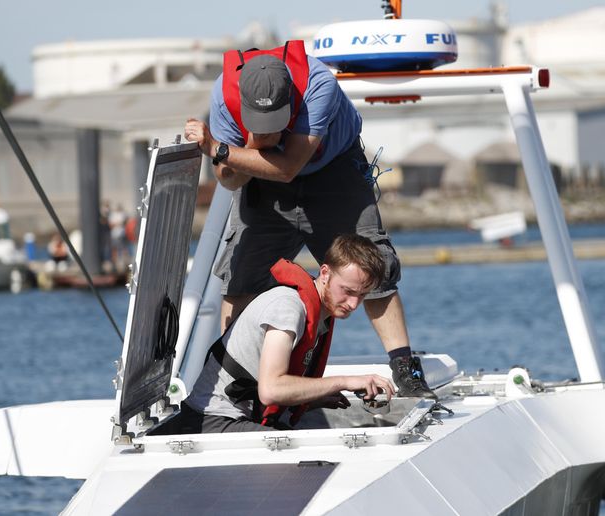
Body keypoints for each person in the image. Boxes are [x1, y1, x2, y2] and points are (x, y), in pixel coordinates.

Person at [183, 39, 435, 398]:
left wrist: (222, 149)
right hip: (261, 179)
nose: (269, 129)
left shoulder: (318, 84)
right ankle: (231, 380)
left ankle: (407, 371)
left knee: (373, 266)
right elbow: (231, 179)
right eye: (260, 122)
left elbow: (288, 167)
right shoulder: (224, 98)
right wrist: (249, 147)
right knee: (241, 276)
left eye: (276, 122)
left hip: (332, 170)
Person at [158, 234, 396, 434]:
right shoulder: (288, 307)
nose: (354, 304)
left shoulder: (320, 312)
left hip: (239, 415)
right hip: (212, 419)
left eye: (362, 295)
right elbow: (271, 390)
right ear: (325, 273)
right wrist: (345, 381)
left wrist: (313, 398)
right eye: (348, 291)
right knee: (306, 459)